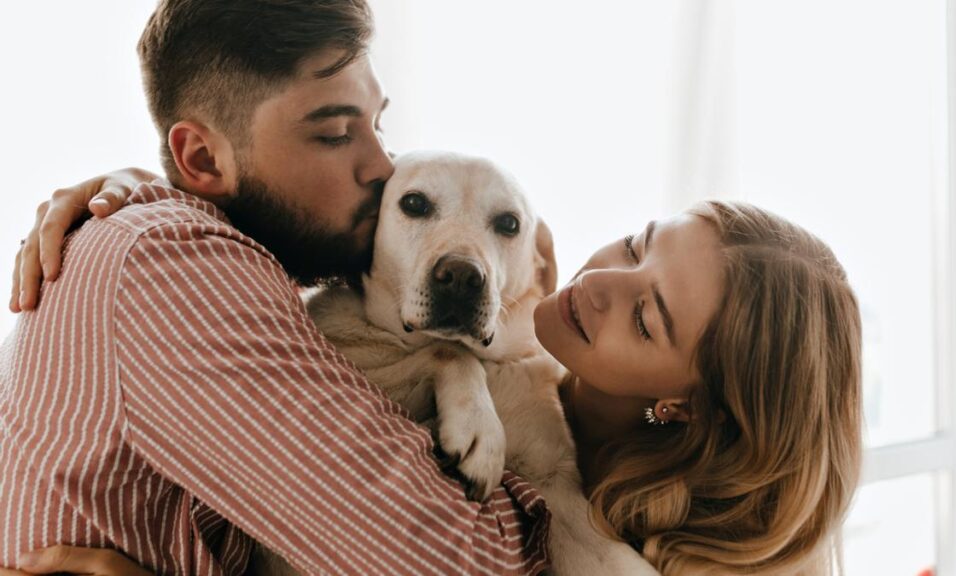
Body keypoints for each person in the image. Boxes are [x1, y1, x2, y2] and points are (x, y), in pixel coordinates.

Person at [11, 180, 864, 574]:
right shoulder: (506, 360)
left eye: (647, 315)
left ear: (685, 404)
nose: (602, 283)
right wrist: (150, 197)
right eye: (638, 244)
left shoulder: (733, 559)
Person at [0, 1, 550, 575]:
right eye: (336, 134)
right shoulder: (179, 273)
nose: (382, 166)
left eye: (377, 123)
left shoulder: (172, 243)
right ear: (202, 158)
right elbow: (469, 563)